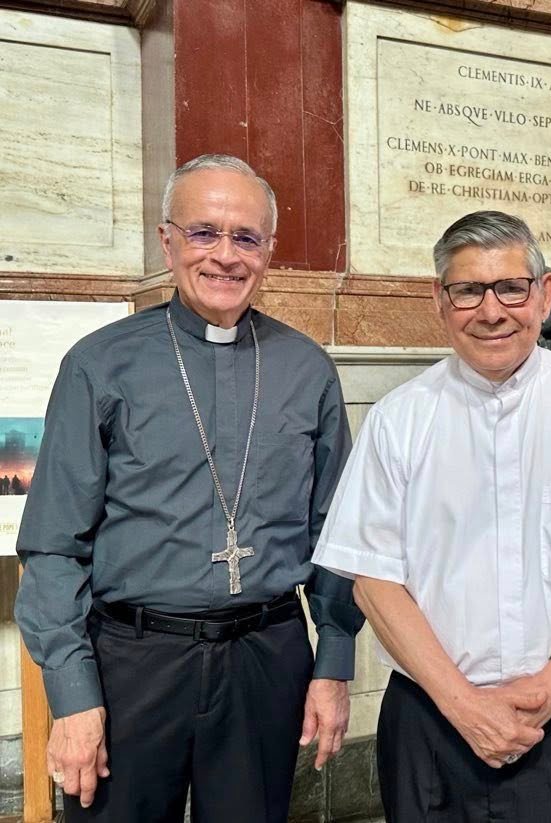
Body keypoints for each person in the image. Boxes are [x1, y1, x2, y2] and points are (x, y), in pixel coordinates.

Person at [15, 154, 363, 823]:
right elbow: (55, 545)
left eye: (246, 237)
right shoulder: (100, 365)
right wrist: (72, 692)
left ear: (269, 250)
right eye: (204, 232)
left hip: (266, 656)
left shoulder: (307, 369)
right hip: (132, 662)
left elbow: (337, 532)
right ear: (167, 240)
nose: (225, 255)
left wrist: (334, 660)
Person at [313, 210, 551, 821]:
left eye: (511, 288)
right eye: (469, 290)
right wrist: (463, 705)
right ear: (440, 301)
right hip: (431, 722)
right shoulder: (398, 419)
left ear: (544, 294)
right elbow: (373, 580)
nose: (491, 311)